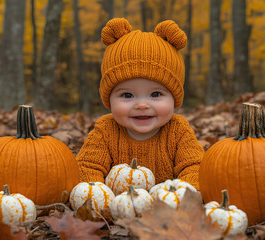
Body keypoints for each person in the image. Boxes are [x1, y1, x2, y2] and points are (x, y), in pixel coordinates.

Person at [76, 18, 204, 190]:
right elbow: (87, 167)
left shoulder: (178, 130)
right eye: (127, 95)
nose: (142, 105)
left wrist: (183, 194)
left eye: (156, 94)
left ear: (175, 98)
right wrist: (97, 196)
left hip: (167, 208)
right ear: (109, 99)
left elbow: (194, 167)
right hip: (117, 210)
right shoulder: (105, 131)